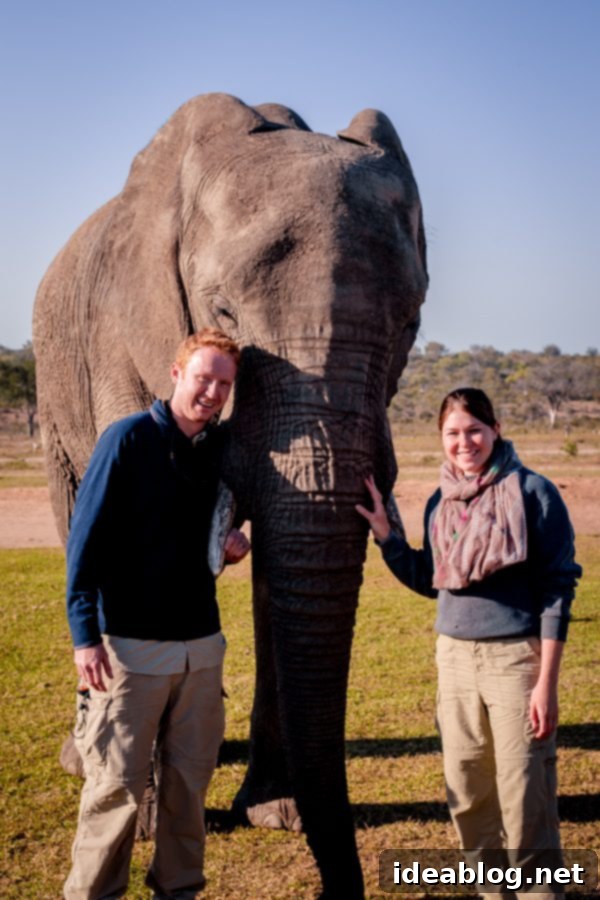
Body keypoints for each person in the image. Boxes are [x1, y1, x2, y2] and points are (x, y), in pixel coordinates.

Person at [356, 388, 582, 899]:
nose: (465, 442)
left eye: (475, 430)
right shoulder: (441, 501)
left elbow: (557, 590)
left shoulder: (533, 492)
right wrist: (388, 538)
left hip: (516, 660)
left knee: (525, 791)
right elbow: (432, 579)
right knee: (466, 790)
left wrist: (546, 683)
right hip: (454, 659)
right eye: (453, 433)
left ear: (495, 429)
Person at [64, 328, 250, 900]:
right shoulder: (127, 439)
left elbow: (212, 527)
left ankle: (179, 890)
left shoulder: (218, 450)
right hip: (129, 649)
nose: (212, 392)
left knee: (188, 788)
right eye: (203, 378)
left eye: (224, 384)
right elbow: (84, 543)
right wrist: (85, 637)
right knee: (116, 790)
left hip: (201, 650)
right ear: (176, 374)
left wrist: (230, 542)